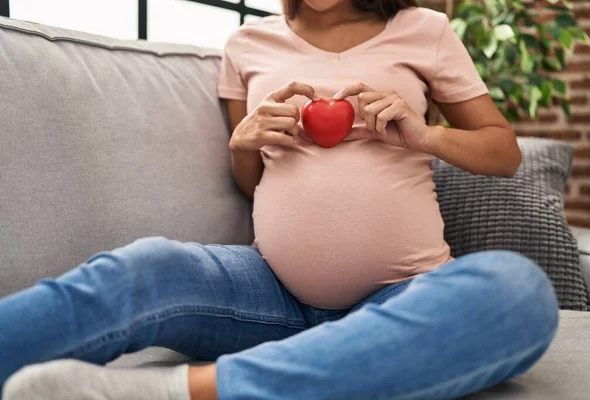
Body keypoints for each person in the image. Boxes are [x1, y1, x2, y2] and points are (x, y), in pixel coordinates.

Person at [1, 0, 560, 399]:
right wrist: (243, 143)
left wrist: (423, 134)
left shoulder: (425, 30)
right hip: (268, 296)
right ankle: (343, 369)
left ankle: (184, 391)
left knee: (517, 292)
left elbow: (503, 152)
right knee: (146, 266)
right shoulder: (247, 44)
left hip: (404, 293)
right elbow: (252, 184)